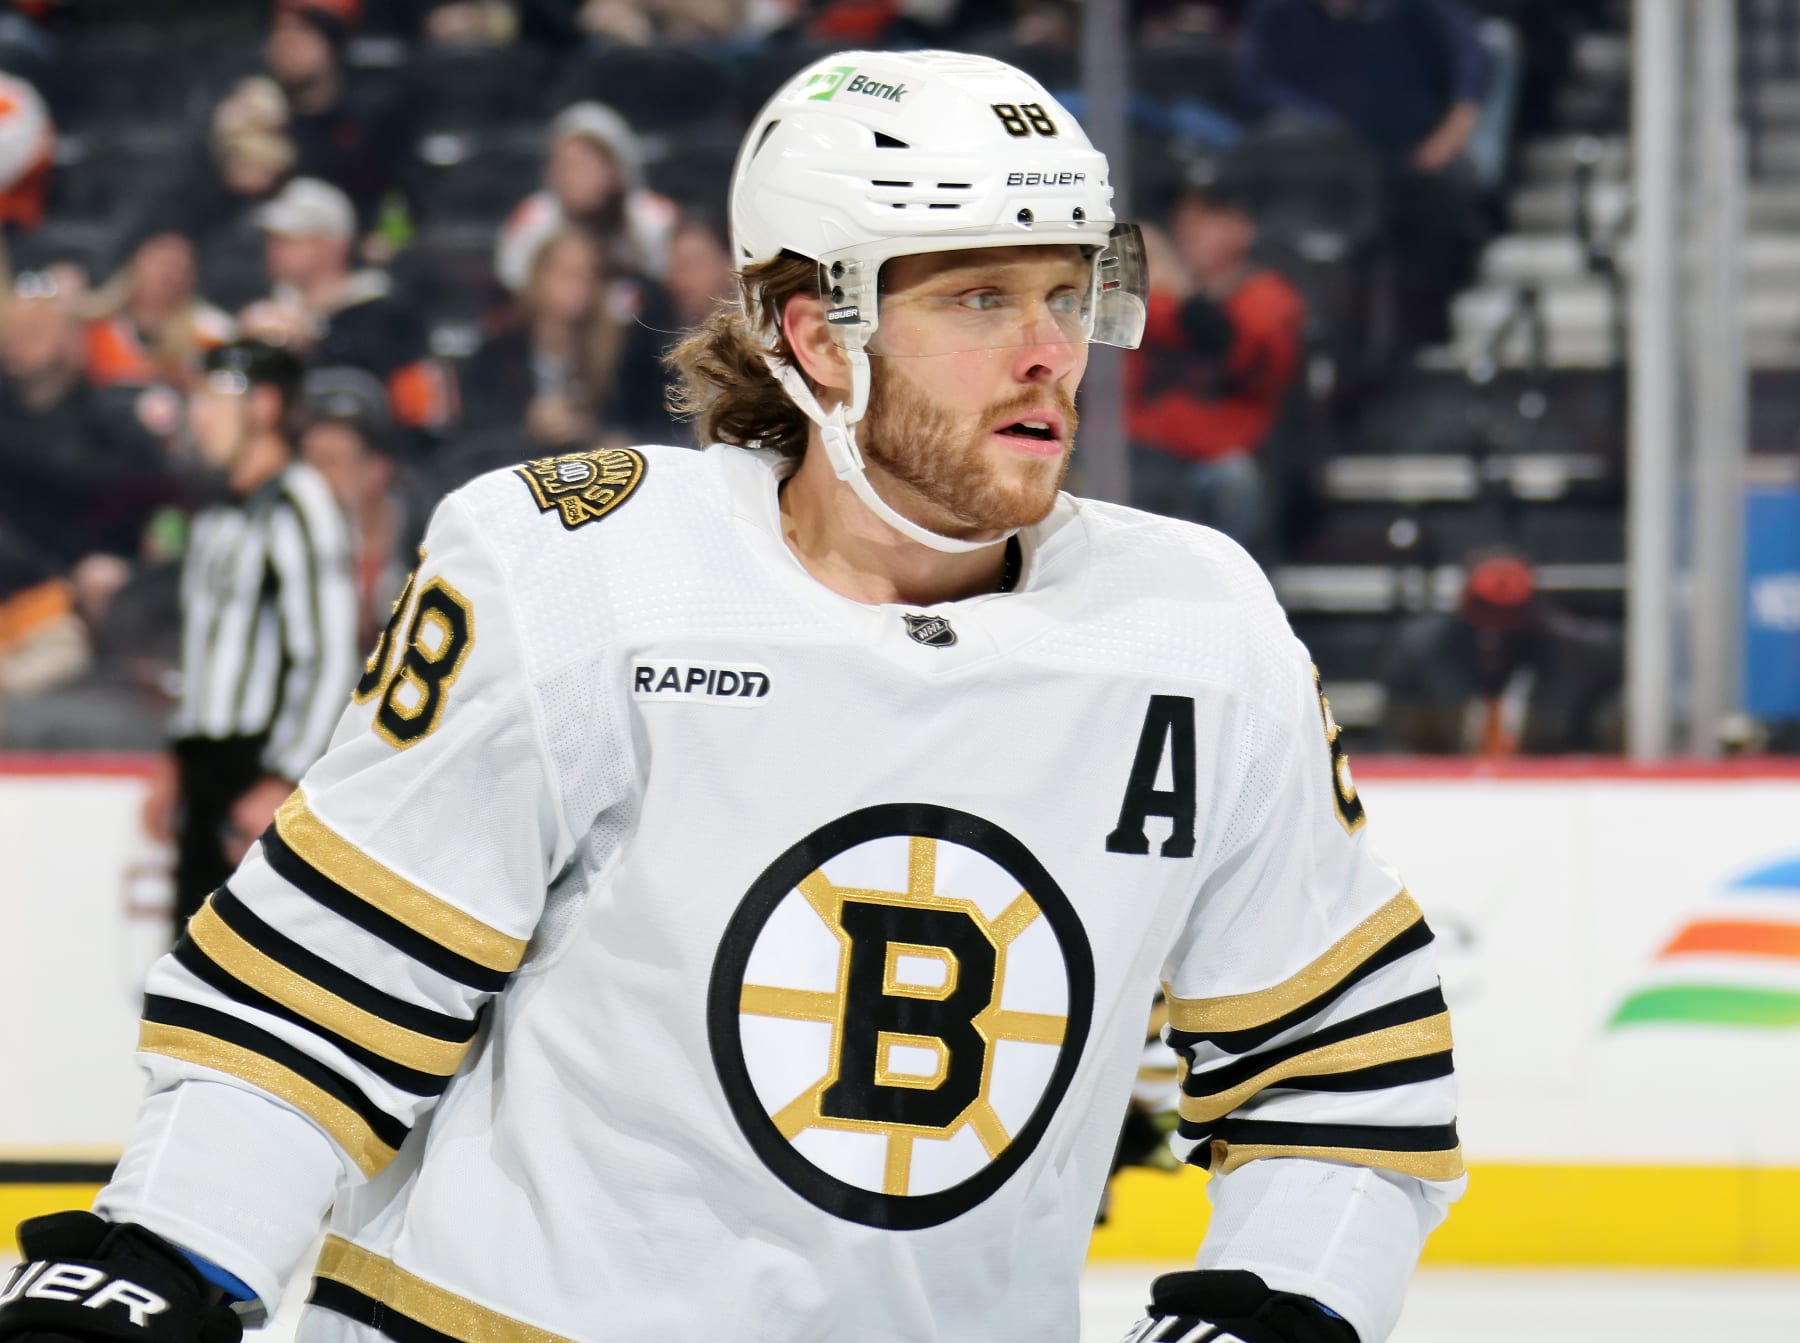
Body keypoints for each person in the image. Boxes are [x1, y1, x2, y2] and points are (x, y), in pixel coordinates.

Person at [0, 51, 1461, 1343]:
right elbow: (321, 999)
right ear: (815, 333)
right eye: (980, 296)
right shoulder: (575, 568)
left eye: (1068, 293)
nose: (1048, 352)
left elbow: (1346, 1070)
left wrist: (1282, 1301)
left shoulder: (1199, 627)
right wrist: (162, 1250)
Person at [140, 339, 358, 934]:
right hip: (211, 766)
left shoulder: (301, 505)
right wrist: (177, 761)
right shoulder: (215, 516)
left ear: (263, 405)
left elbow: (330, 656)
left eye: (214, 398)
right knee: (188, 957)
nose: (199, 416)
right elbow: (204, 656)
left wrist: (284, 777)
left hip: (261, 760)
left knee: (250, 967)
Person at [1239, 0, 1490, 348]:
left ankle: (1419, 335)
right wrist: (1321, 127)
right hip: (1319, 166)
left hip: (1410, 157)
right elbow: (1256, 81)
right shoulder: (1280, 12)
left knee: (1445, 206)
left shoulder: (1418, 10)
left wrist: (1458, 120)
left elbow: (1469, 53)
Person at [1128, 162, 1304, 554]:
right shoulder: (1156, 297)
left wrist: (1185, 294)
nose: (1189, 229)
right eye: (1184, 217)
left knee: (1232, 481)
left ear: (1244, 229)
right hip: (1142, 456)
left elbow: (1234, 350)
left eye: (1208, 218)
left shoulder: (1268, 297)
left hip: (1217, 461)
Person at [240, 177, 454, 434]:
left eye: (290, 239)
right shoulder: (266, 314)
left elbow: (422, 412)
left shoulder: (388, 317)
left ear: (334, 245)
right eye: (272, 239)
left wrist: (310, 346)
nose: (274, 249)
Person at [1381, 549, 1623, 754]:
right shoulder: (1422, 654)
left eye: (1506, 626)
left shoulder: (1579, 662)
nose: (1493, 638)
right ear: (1461, 611)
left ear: (1534, 619)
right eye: (1483, 622)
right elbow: (1401, 744)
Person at [461, 228, 678, 448]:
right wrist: (526, 426)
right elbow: (475, 434)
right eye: (567, 273)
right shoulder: (499, 354)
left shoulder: (627, 355)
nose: (579, 285)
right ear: (539, 278)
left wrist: (593, 432)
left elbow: (655, 427)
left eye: (589, 275)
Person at [492, 100, 678, 293]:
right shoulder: (531, 221)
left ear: (616, 168)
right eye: (562, 165)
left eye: (583, 165)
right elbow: (514, 292)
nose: (571, 178)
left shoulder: (656, 219)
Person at [300, 365, 420, 649]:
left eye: (329, 462)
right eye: (307, 463)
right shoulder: (290, 540)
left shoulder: (425, 540)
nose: (311, 481)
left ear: (377, 471)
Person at [84, 232, 237, 390]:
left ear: (192, 277)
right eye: (159, 263)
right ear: (134, 263)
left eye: (177, 267)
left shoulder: (212, 332)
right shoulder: (93, 326)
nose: (166, 274)